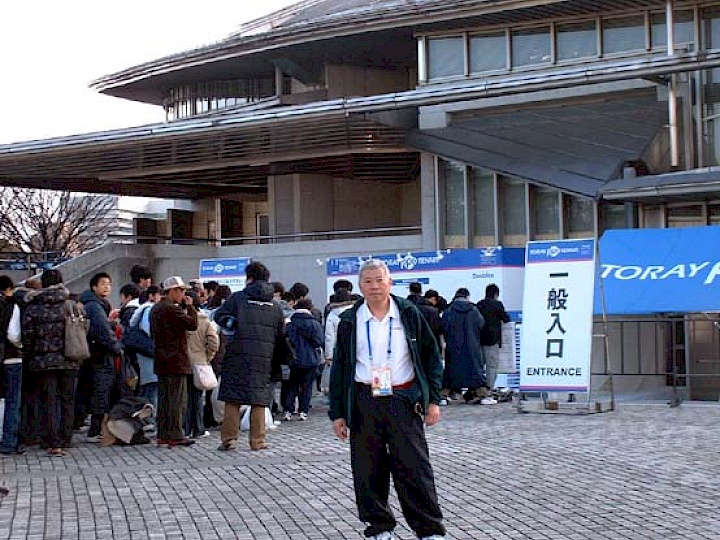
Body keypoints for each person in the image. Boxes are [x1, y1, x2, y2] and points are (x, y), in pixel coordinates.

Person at [329, 259, 446, 540]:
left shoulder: (409, 313)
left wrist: (433, 400)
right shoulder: (349, 320)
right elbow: (340, 368)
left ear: (390, 282)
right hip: (363, 399)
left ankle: (429, 529)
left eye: (379, 280)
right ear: (360, 286)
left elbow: (431, 358)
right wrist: (337, 413)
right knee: (368, 469)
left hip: (403, 398)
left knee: (414, 467)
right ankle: (379, 527)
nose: (374, 287)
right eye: (368, 281)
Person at [214, 261, 286, 451]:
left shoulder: (237, 299)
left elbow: (219, 317)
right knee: (259, 400)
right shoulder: (275, 305)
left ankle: (229, 439)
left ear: (249, 278)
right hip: (264, 357)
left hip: (238, 353)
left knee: (233, 398)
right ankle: (258, 441)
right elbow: (281, 335)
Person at [22, 270, 79, 457]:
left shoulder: (33, 306)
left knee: (49, 401)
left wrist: (30, 354)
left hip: (43, 360)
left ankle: (52, 441)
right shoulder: (70, 305)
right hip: (70, 358)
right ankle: (66, 437)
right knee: (68, 400)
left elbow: (27, 336)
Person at [150, 276, 198, 447]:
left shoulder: (156, 308)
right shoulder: (172, 309)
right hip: (176, 361)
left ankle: (163, 434)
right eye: (180, 290)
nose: (183, 294)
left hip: (161, 360)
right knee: (177, 401)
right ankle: (176, 434)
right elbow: (192, 324)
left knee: (164, 400)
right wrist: (190, 307)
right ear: (171, 291)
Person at [80, 272, 123, 442]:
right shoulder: (93, 306)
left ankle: (96, 428)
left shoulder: (98, 304)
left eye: (109, 284)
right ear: (94, 287)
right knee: (101, 391)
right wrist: (117, 347)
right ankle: (95, 430)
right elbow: (102, 332)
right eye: (103, 284)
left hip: (96, 354)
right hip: (100, 356)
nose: (107, 287)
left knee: (99, 391)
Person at [441, 287, 486, 404]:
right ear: (467, 297)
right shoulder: (474, 310)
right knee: (474, 370)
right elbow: (481, 324)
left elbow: (444, 327)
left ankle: (447, 393)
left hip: (453, 347)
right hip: (472, 346)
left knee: (451, 371)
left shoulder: (449, 310)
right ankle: (478, 392)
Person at [184, 290, 219, 438]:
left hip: (184, 362)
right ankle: (198, 428)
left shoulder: (181, 319)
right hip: (200, 362)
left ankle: (184, 429)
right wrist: (207, 357)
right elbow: (214, 342)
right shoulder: (205, 321)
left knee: (184, 398)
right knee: (197, 397)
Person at [283, 298, 324, 421]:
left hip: (292, 359)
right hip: (310, 359)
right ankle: (303, 411)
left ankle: (288, 410)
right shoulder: (315, 324)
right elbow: (319, 341)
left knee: (291, 385)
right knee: (307, 386)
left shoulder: (289, 323)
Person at [0, 275, 24, 455]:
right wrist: (21, 347)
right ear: (10, 288)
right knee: (12, 401)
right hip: (11, 359)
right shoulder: (12, 305)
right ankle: (9, 442)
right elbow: (14, 334)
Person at [477, 283, 511, 392]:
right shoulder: (497, 304)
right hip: (493, 340)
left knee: (479, 366)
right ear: (496, 294)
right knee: (491, 366)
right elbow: (506, 319)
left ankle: (479, 388)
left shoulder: (479, 304)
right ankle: (488, 389)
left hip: (479, 340)